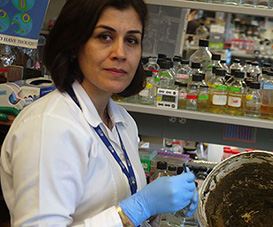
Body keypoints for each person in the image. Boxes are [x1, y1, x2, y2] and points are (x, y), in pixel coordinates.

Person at [0, 0, 198, 226]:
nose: (120, 53)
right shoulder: (49, 126)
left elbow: (109, 204)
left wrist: (159, 206)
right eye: (105, 37)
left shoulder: (123, 122)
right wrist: (137, 208)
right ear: (75, 45)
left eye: (132, 40)